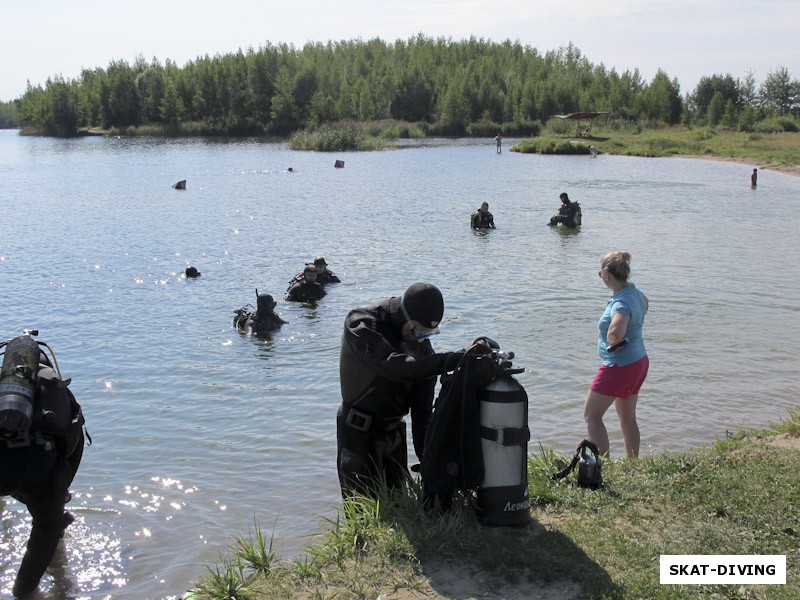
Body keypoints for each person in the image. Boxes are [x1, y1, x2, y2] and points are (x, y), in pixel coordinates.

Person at [336, 282, 463, 498]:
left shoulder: (423, 349)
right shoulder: (361, 323)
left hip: (394, 435)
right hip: (359, 433)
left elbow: (422, 417)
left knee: (398, 504)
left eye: (428, 333)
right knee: (364, 517)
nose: (420, 338)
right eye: (417, 330)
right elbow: (394, 367)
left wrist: (430, 467)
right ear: (404, 314)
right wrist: (451, 360)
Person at [1, 334, 86, 597]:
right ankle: (23, 590)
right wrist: (56, 496)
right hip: (40, 469)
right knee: (47, 523)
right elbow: (72, 444)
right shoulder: (56, 388)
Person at [583, 252, 649, 459]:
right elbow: (646, 303)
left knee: (592, 415)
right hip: (638, 361)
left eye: (599, 273)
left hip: (618, 366)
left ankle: (603, 466)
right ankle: (633, 463)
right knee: (627, 417)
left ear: (606, 274)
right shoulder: (635, 292)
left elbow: (616, 330)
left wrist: (614, 340)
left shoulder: (620, 303)